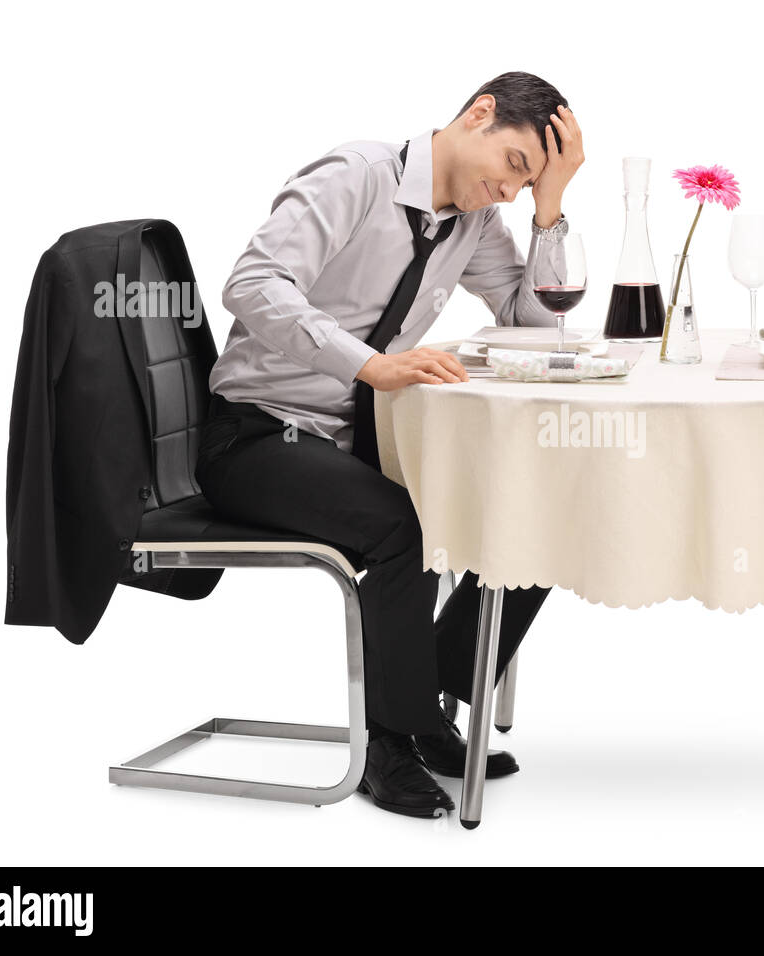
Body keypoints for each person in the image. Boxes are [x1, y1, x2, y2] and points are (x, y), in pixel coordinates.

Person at [194, 71, 584, 818]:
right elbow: (251, 282)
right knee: (398, 528)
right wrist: (367, 363)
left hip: (351, 439)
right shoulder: (357, 177)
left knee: (533, 511)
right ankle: (389, 743)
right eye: (513, 168)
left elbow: (533, 324)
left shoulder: (471, 220)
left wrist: (550, 208)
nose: (508, 191)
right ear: (479, 115)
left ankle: (428, 703)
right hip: (253, 435)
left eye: (524, 183)